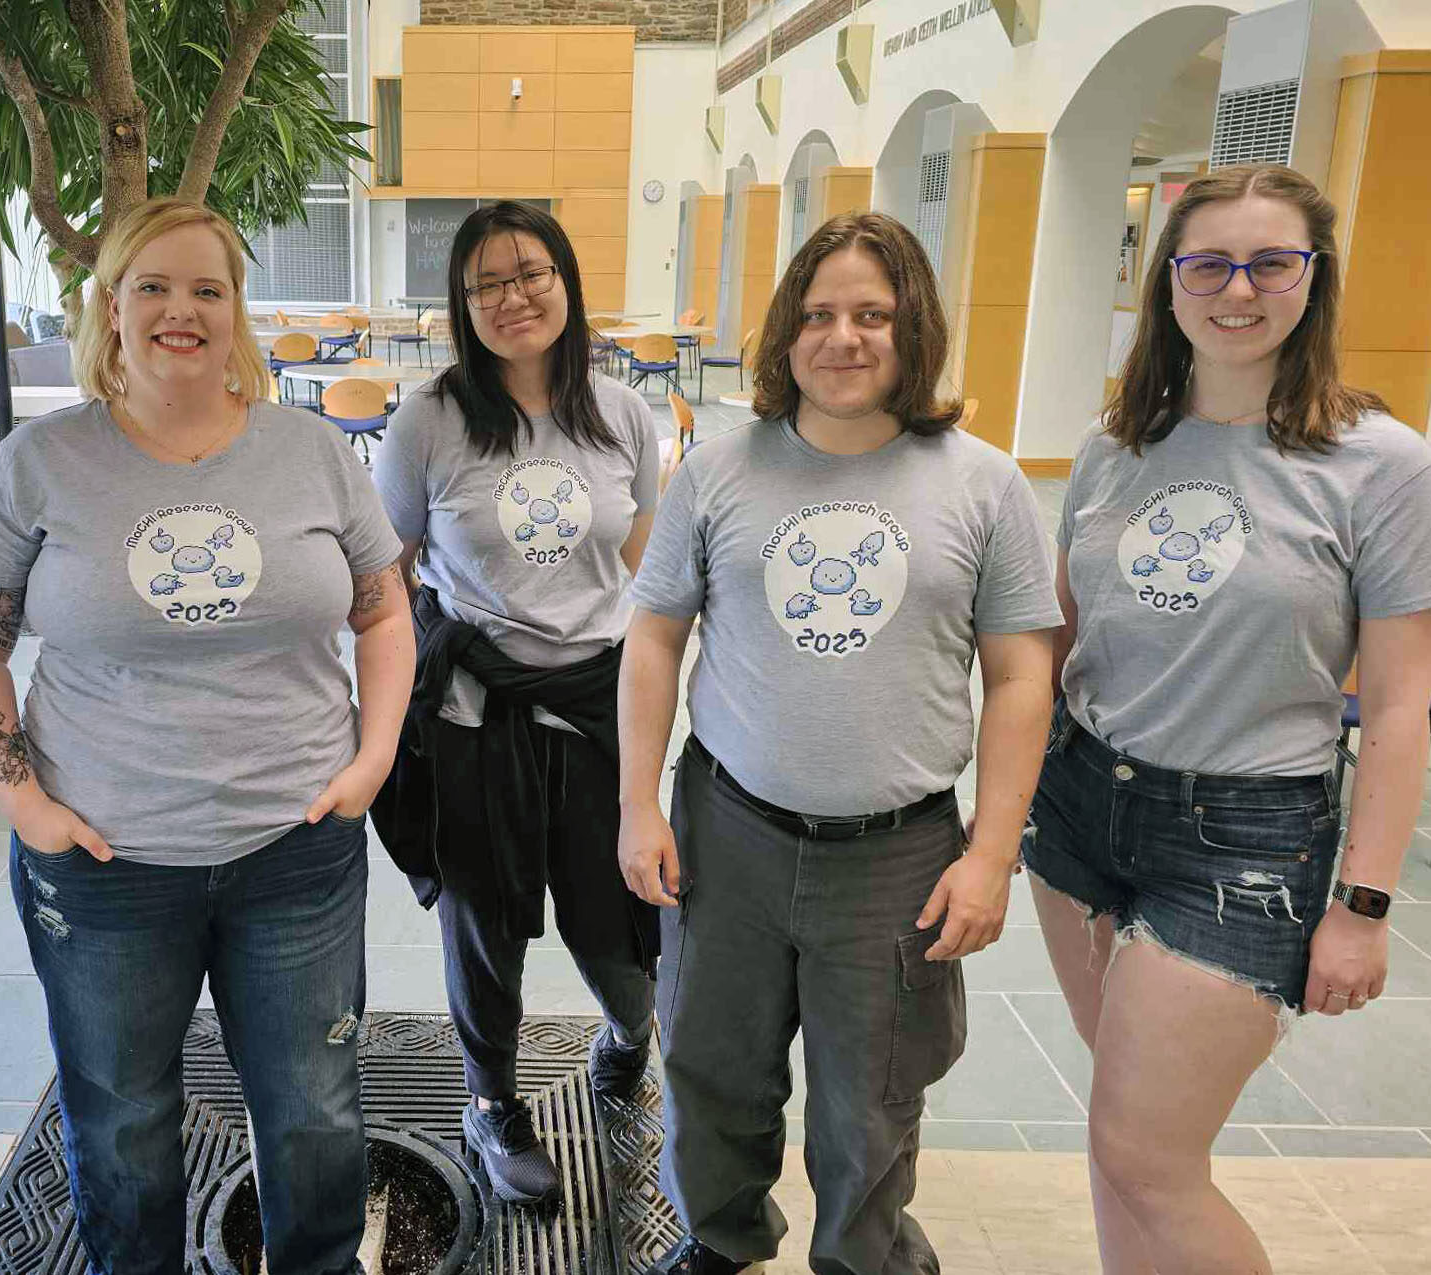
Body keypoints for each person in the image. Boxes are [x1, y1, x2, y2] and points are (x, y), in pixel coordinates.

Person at [0, 197, 412, 1275]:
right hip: (105, 865)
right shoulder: (41, 462)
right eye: (151, 285)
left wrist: (373, 756)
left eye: (208, 287)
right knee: (122, 1126)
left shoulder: (314, 453)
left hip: (295, 848)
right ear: (110, 304)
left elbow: (384, 609)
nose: (180, 310)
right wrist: (28, 806)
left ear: (238, 309)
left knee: (313, 1115)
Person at [620, 212, 1062, 1275]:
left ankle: (863, 1257)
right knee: (712, 1071)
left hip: (897, 852)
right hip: (729, 832)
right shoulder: (719, 472)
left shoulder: (984, 484)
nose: (844, 337)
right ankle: (721, 1241)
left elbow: (1019, 677)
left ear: (915, 329)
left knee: (873, 1098)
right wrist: (638, 803)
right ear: (785, 334)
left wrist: (992, 855)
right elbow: (652, 639)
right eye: (819, 314)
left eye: (874, 313)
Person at [1024, 163, 1431, 1275]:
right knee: (1122, 1144)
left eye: (1271, 262)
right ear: (1168, 283)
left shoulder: (1381, 466)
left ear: (1315, 278)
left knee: (1148, 1155)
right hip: (1080, 814)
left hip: (1243, 844)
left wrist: (1362, 904)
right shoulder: (1119, 444)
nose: (1236, 289)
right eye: (1207, 262)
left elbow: (1400, 704)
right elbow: (1062, 640)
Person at [370, 199, 661, 1207]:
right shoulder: (430, 420)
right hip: (473, 714)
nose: (513, 296)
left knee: (613, 923)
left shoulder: (624, 414)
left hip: (596, 710)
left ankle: (630, 1035)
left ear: (568, 281)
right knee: (483, 925)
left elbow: (648, 577)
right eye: (486, 282)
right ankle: (490, 1099)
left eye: (530, 272)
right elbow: (384, 576)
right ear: (462, 303)